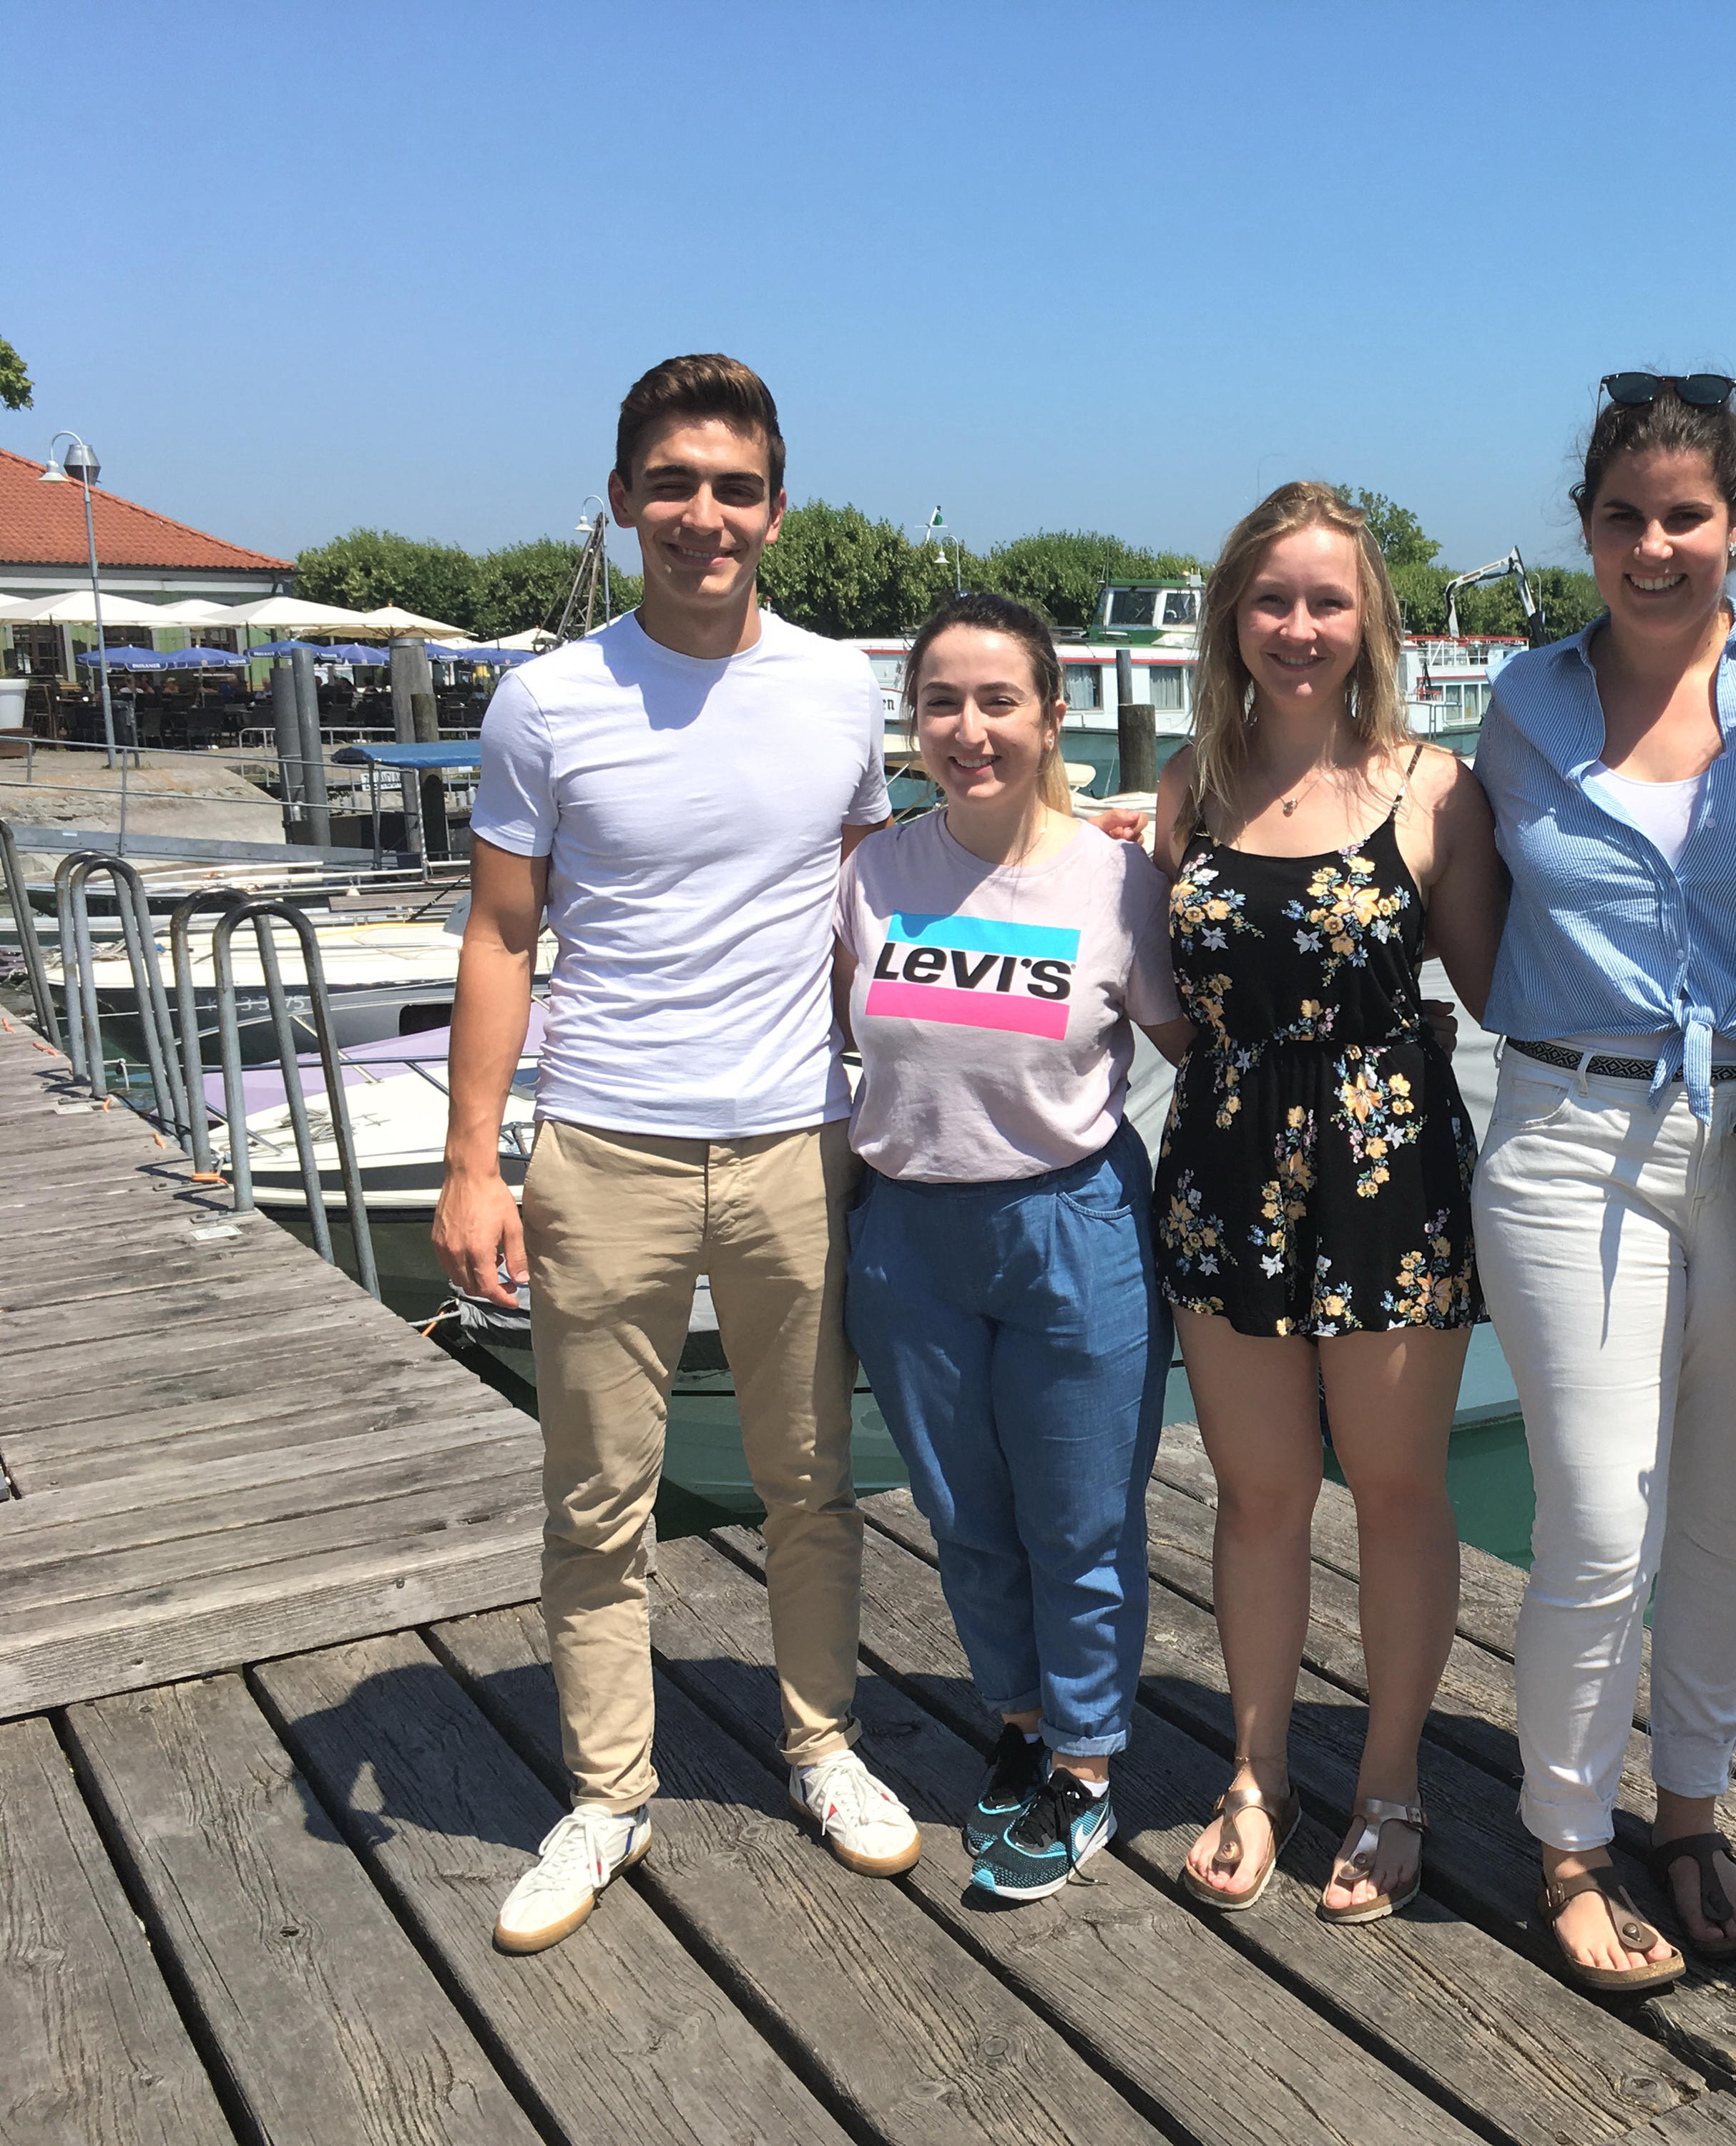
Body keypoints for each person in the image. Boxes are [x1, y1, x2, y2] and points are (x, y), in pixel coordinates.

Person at [436, 353, 921, 1956]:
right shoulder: (546, 700)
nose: (702, 516)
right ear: (622, 500)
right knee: (596, 1498)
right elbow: (501, 934)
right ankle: (607, 1791)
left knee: (810, 1482)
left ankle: (821, 1744)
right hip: (602, 1147)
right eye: (672, 485)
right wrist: (472, 1164)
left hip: (797, 1141)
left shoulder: (839, 689)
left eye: (732, 488)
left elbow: (870, 910)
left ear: (775, 509)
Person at [1473, 373, 1736, 1993]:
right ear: (1586, 528)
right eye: (1622, 516)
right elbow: (1461, 899)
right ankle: (1566, 1837)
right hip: (1568, 1134)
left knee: (1731, 1513)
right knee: (1596, 1515)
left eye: (1684, 516)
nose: (1653, 546)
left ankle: (1688, 1813)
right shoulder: (1521, 702)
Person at [1154, 481, 1506, 1924]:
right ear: (1231, 617)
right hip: (1225, 1168)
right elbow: (1158, 987)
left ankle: (1390, 1780)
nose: (1298, 627)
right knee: (1258, 1495)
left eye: (1327, 600)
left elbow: (1502, 986)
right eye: (1272, 599)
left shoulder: (1433, 789)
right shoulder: (1189, 784)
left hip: (1388, 1173)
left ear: (1370, 622)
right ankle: (1256, 1774)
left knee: (1399, 1490)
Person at [835, 590, 1187, 1901]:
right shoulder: (874, 875)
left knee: (1081, 1518)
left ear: (1050, 715)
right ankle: (1023, 1724)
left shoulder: (1115, 877)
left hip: (1071, 1223)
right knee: (965, 1514)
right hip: (909, 1232)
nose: (969, 730)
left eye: (999, 702)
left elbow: (1194, 1044)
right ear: (913, 720)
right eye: (942, 703)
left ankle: (1087, 1764)